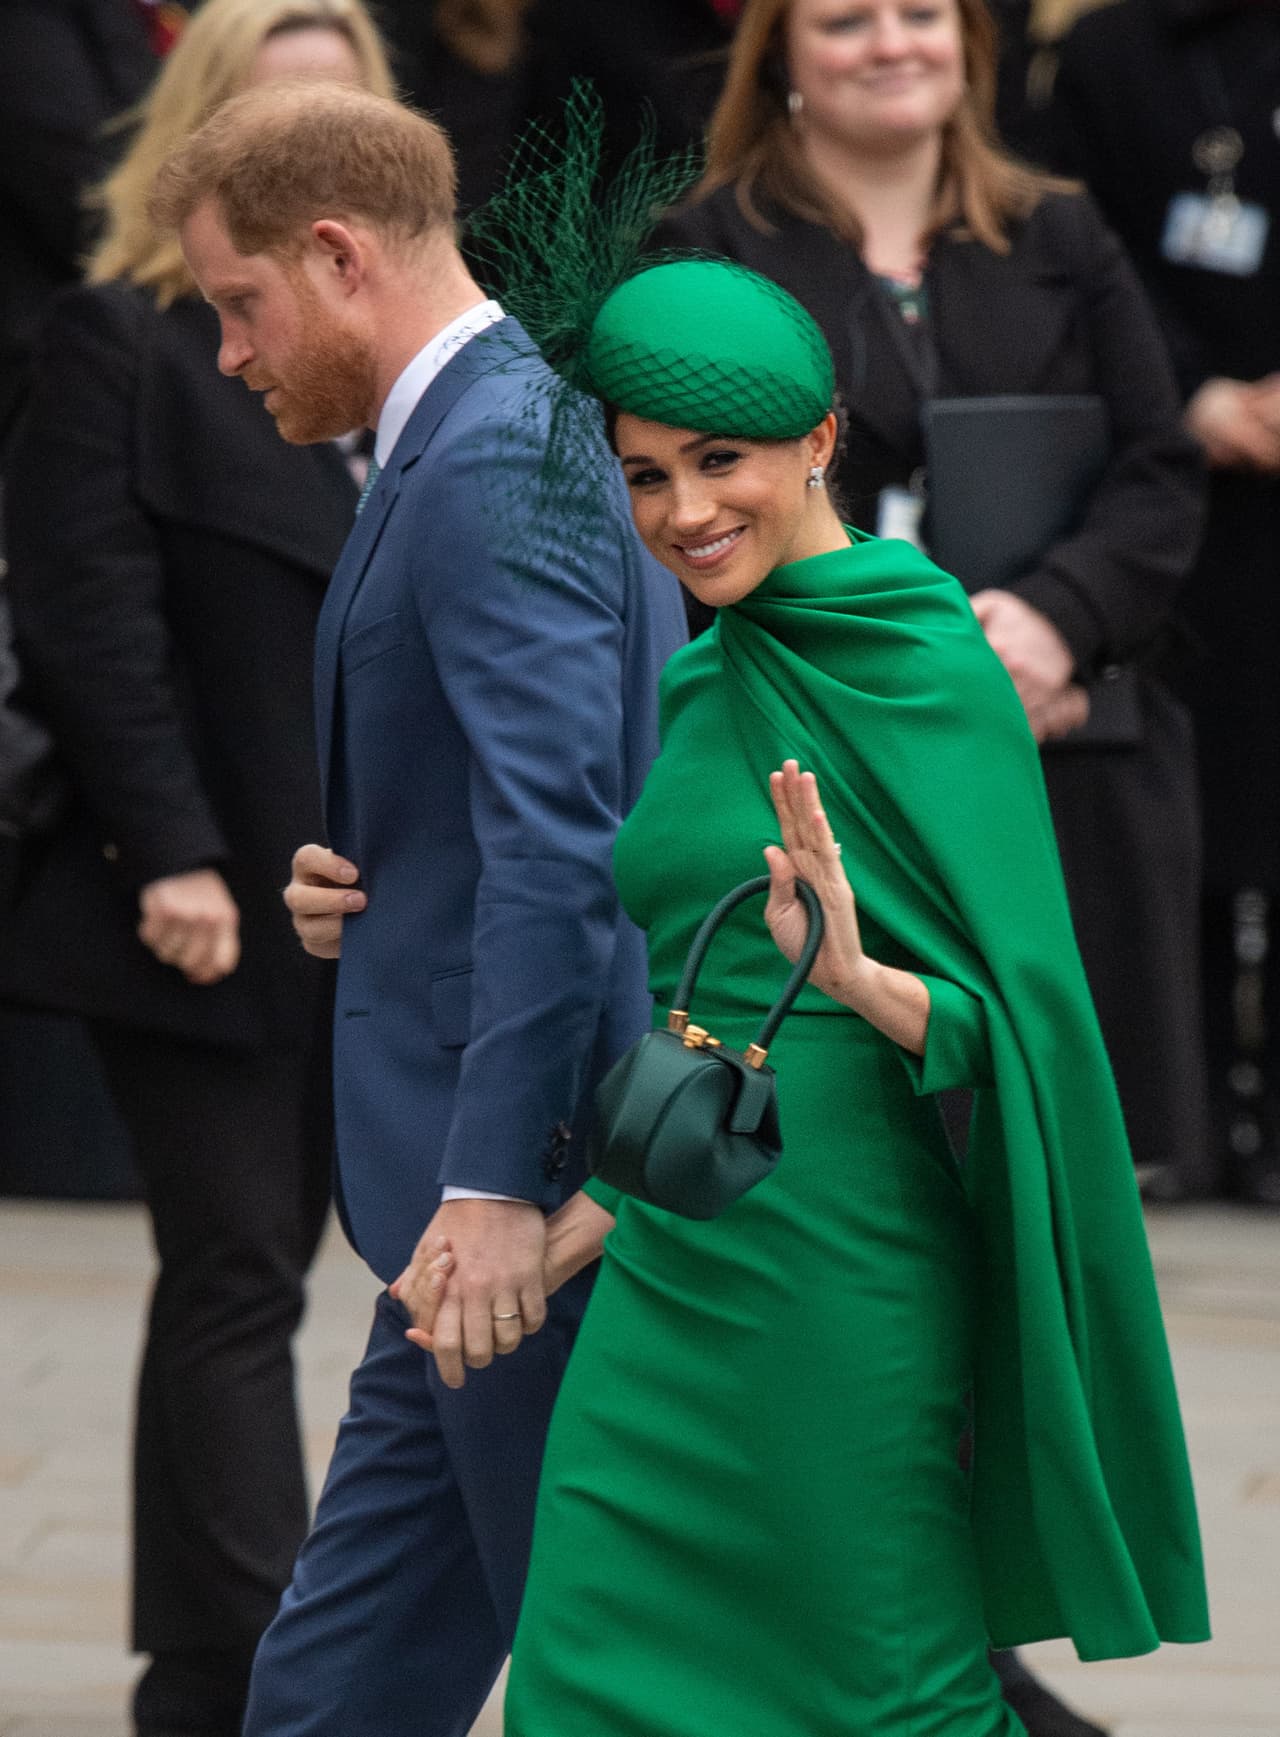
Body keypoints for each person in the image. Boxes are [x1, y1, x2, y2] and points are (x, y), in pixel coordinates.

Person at [396, 257, 1209, 1735]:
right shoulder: (707, 670)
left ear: (822, 440)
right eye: (645, 477)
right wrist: (581, 1223)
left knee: (881, 1692)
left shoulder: (927, 658)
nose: (684, 513)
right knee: (580, 1681)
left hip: (848, 1287)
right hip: (670, 1283)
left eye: (721, 462)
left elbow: (1025, 1028)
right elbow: (698, 1018)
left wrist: (866, 981)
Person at [151, 78, 685, 1737]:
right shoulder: (489, 432)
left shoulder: (485, 454)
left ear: (334, 254)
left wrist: (494, 1183)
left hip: (517, 1199)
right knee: (331, 1688)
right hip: (469, 1203)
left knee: (616, 1687)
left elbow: (564, 836)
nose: (233, 356)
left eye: (241, 304)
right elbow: (518, 804)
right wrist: (365, 893)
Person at [0, 5, 397, 1733]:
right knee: (240, 1267)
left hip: (372, 900)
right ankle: (262, 1669)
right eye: (270, 112)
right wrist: (167, 851)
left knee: (258, 1273)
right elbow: (88, 616)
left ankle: (193, 1671)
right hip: (197, 894)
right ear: (199, 132)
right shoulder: (127, 339)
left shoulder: (420, 367)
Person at [651, 0, 1210, 1225]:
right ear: (782, 57)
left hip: (1062, 730)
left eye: (920, 14)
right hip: (829, 755)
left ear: (971, 43)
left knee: (1060, 1164)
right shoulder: (708, 250)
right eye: (846, 21)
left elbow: (1158, 466)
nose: (890, 43)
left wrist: (1056, 621)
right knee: (887, 1153)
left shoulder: (1058, 228)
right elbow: (680, 498)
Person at [1048, 0, 1280, 1203]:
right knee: (1186, 812)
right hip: (1182, 476)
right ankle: (1175, 1118)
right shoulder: (1111, 51)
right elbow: (1090, 249)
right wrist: (1188, 395)